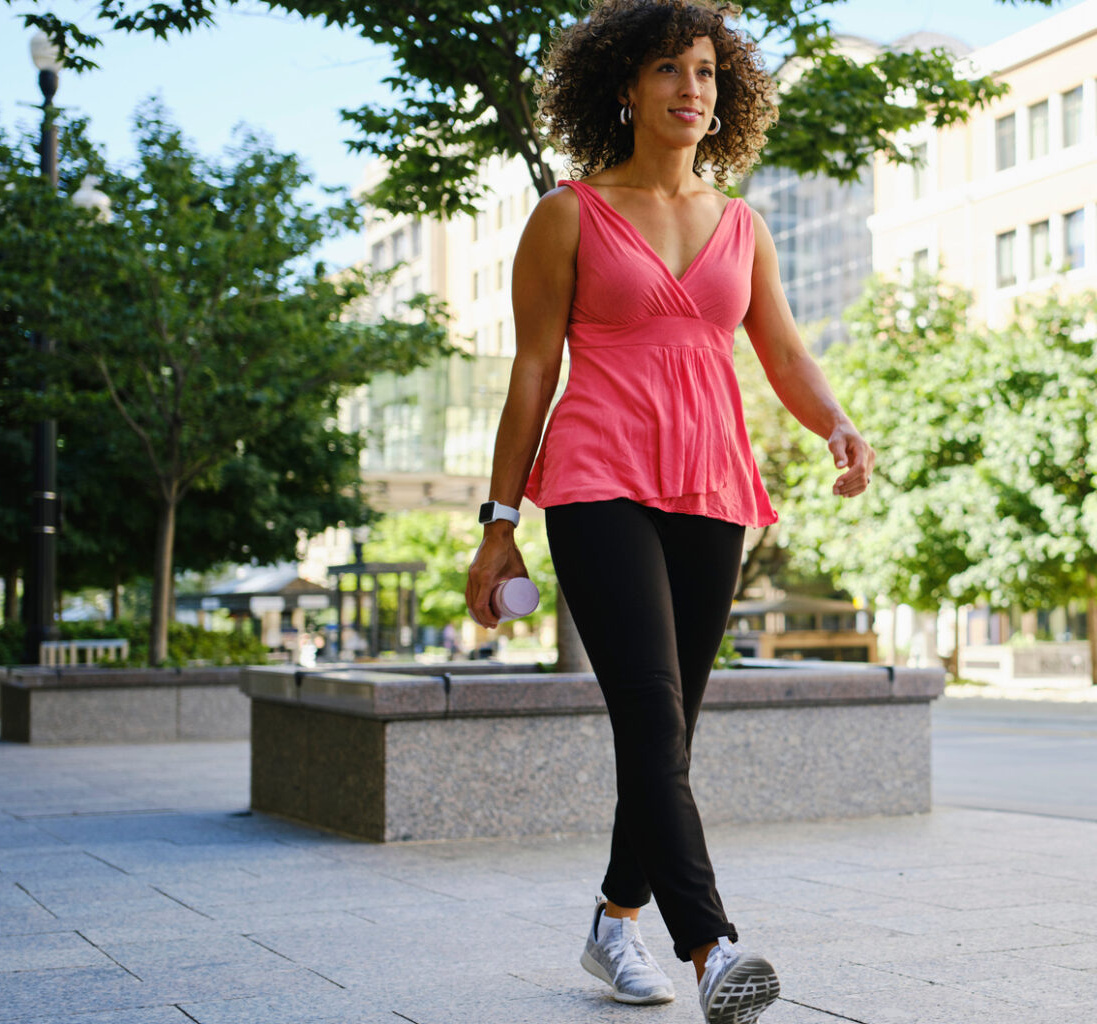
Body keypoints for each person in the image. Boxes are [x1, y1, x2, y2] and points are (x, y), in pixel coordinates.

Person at [463, 2, 873, 1022]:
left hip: (712, 482)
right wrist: (498, 518)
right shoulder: (568, 213)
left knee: (672, 730)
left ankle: (614, 917)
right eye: (667, 70)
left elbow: (780, 352)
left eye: (705, 71)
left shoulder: (741, 222)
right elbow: (531, 370)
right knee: (650, 713)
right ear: (624, 88)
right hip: (598, 474)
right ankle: (712, 946)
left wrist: (836, 424)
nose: (691, 88)